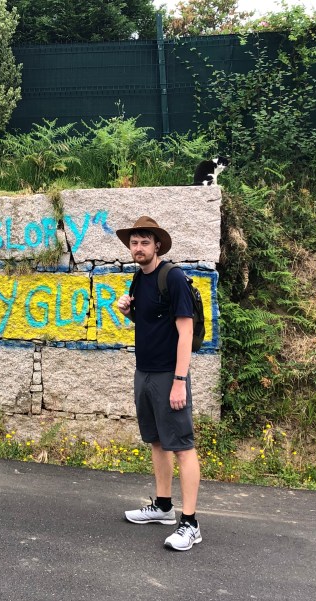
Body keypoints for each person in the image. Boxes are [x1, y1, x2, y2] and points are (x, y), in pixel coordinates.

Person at [115, 216, 202, 551]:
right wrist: (127, 312)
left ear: (158, 246)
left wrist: (179, 380)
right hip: (145, 372)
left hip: (169, 374)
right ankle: (163, 507)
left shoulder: (173, 278)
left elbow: (185, 331)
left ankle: (190, 524)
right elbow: (147, 321)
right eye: (134, 243)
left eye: (145, 242)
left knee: (182, 446)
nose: (138, 248)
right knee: (156, 440)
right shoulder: (139, 278)